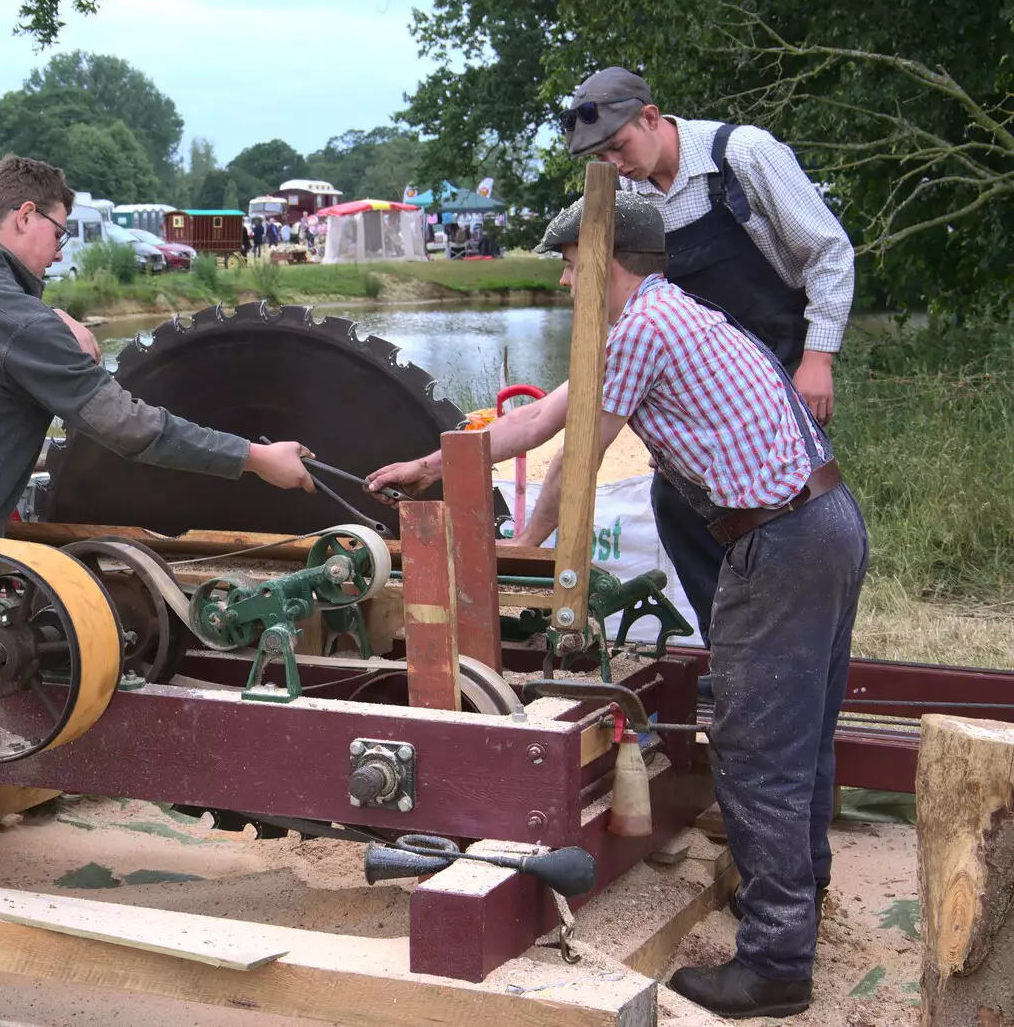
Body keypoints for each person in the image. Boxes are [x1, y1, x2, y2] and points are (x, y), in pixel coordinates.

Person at [367, 193, 867, 1020]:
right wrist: (430, 463)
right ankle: (793, 898)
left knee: (754, 744)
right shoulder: (665, 317)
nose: (565, 280)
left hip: (781, 543)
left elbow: (576, 461)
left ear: (608, 261)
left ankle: (778, 961)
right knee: (799, 731)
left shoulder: (641, 328)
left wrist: (518, 559)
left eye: (570, 263)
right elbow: (537, 423)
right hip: (823, 521)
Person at [0, 155, 316, 922]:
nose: (61, 248)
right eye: (56, 230)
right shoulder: (20, 324)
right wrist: (256, 459)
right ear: (23, 216)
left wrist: (50, 323)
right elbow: (128, 428)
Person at [561, 66, 856, 642]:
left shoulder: (742, 156)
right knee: (676, 506)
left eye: (619, 146)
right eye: (602, 155)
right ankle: (730, 650)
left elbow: (828, 252)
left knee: (784, 513)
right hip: (699, 377)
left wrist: (819, 357)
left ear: (650, 117)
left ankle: (787, 648)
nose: (616, 164)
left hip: (779, 367)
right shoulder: (627, 197)